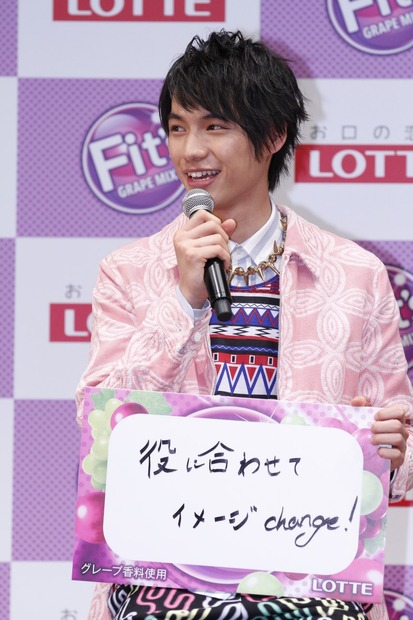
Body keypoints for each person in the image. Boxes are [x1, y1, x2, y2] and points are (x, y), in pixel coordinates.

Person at [76, 30, 413, 620]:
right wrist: (184, 300)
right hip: (166, 588)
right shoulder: (129, 272)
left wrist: (392, 445)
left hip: (309, 591)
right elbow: (100, 429)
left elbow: (400, 451)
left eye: (215, 127)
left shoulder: (354, 274)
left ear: (274, 135)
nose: (191, 150)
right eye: (177, 128)